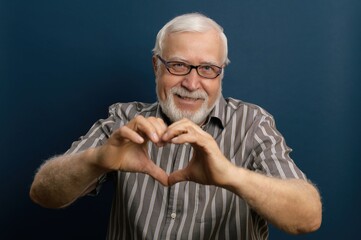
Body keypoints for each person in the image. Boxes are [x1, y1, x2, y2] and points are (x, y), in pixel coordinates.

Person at [30, 13, 322, 239]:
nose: (192, 83)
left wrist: (230, 175)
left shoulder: (253, 123)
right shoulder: (123, 120)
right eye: (178, 65)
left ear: (221, 74)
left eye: (207, 69)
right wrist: (97, 159)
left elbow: (308, 217)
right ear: (156, 66)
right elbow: (43, 193)